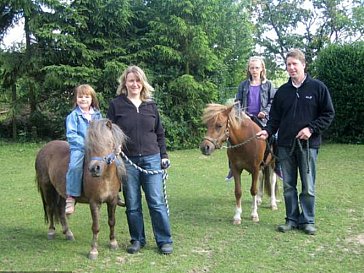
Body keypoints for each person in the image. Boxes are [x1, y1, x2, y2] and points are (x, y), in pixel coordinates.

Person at [256, 49, 335, 235]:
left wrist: (311, 129)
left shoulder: (318, 88)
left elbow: (328, 114)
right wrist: (267, 132)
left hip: (308, 146)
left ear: (303, 65)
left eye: (295, 64)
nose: (291, 68)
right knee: (288, 185)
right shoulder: (283, 91)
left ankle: (307, 220)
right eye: (288, 64)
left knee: (308, 185)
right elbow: (274, 118)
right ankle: (291, 219)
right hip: (285, 146)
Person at [107, 65, 173, 255]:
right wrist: (115, 145)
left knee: (156, 201)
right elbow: (109, 131)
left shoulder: (151, 105)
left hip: (152, 159)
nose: (134, 84)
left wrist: (164, 155)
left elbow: (159, 133)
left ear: (143, 83)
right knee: (133, 203)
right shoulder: (116, 105)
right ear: (124, 83)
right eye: (131, 80)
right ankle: (137, 239)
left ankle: (164, 240)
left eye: (138, 80)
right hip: (128, 161)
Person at [226, 56, 279, 180]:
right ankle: (232, 168)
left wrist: (265, 112)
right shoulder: (243, 85)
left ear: (262, 69)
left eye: (257, 68)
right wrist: (242, 114)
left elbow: (273, 102)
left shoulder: (269, 85)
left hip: (263, 120)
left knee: (275, 138)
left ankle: (276, 165)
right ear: (249, 70)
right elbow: (237, 102)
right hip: (245, 120)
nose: (254, 70)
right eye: (252, 68)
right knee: (231, 139)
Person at [65, 84, 103, 215]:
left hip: (97, 147)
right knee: (74, 166)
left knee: (115, 162)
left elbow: (102, 131)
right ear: (76, 99)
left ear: (92, 99)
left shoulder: (97, 115)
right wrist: (86, 145)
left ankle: (115, 192)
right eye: (80, 96)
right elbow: (71, 135)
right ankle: (71, 196)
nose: (83, 99)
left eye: (87, 97)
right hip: (80, 147)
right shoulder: (73, 116)